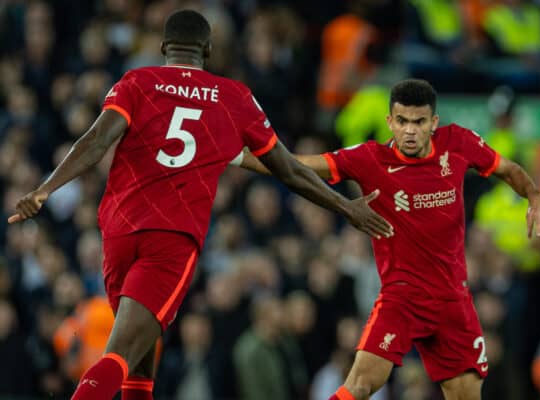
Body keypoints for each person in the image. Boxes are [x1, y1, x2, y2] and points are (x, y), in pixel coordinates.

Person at [7, 10, 393, 400]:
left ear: (163, 48)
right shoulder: (233, 98)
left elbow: (95, 140)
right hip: (171, 239)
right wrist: (347, 208)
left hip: (119, 233)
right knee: (121, 352)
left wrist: (45, 188)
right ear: (208, 50)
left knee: (141, 353)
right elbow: (290, 171)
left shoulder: (137, 81)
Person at [238, 78, 540, 400]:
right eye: (402, 121)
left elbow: (508, 169)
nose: (410, 131)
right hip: (402, 299)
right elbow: (297, 164)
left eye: (419, 122)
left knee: (466, 395)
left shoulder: (458, 142)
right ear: (390, 121)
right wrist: (237, 156)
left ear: (434, 122)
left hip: (452, 301)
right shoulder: (369, 158)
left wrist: (534, 194)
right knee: (360, 385)